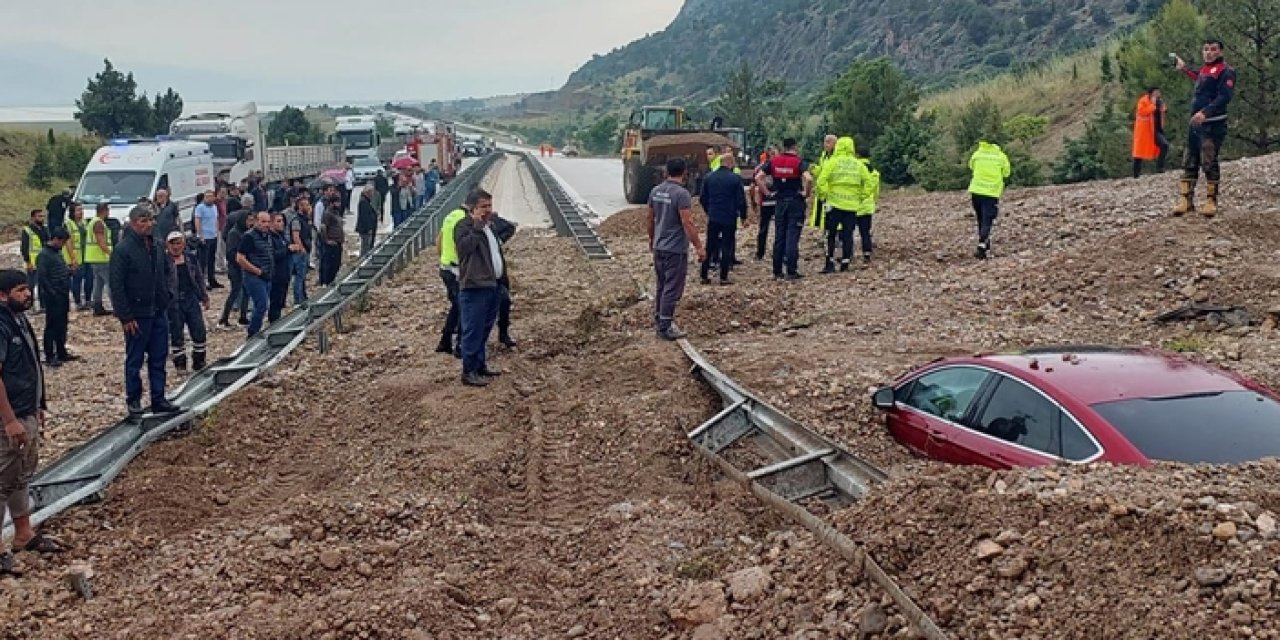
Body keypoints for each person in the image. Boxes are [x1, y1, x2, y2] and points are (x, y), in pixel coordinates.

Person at [0, 269, 63, 577]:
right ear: (2, 295)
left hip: (26, 409)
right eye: (20, 290)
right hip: (8, 416)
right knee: (3, 478)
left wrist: (39, 405)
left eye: (27, 288)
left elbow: (31, 365)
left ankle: (23, 533)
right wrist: (9, 419)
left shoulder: (19, 320)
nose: (27, 294)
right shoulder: (1, 325)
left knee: (22, 474)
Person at [110, 204, 182, 417]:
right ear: (133, 223)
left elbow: (167, 272)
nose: (148, 224)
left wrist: (168, 296)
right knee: (135, 359)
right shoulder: (123, 250)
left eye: (150, 220)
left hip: (158, 311)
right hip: (136, 314)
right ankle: (134, 401)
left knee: (159, 357)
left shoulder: (158, 246)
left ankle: (158, 398)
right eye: (143, 221)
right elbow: (116, 285)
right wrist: (125, 316)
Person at [1173, 39, 1235, 217]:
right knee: (1189, 160)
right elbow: (1197, 76)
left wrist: (1206, 113)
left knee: (1209, 160)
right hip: (1196, 123)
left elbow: (1224, 96)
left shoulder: (1226, 71)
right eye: (1206, 49)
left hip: (1213, 123)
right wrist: (1184, 68)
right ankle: (1186, 200)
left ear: (1220, 51)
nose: (1209, 52)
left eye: (1213, 49)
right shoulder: (1204, 70)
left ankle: (1211, 200)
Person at [646, 158, 706, 340]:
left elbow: (649, 218)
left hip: (659, 246)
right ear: (685, 173)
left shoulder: (655, 191)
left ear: (666, 172)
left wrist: (652, 238)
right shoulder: (682, 194)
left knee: (662, 285)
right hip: (675, 249)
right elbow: (687, 221)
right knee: (672, 287)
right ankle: (664, 327)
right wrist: (699, 247)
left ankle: (660, 318)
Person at [453, 189, 506, 386]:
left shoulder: (489, 226)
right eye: (483, 207)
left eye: (489, 206)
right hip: (474, 287)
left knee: (484, 329)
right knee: (472, 330)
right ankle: (469, 371)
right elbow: (464, 249)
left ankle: (480, 365)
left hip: (492, 285)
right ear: (472, 208)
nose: (488, 210)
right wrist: (476, 226)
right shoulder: (464, 226)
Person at [754, 138, 811, 280]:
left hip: (779, 202)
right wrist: (806, 193)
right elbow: (808, 179)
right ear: (795, 147)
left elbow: (758, 177)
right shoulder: (798, 162)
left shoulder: (774, 162)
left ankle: (777, 270)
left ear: (783, 147)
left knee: (779, 236)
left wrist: (767, 193)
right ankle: (791, 270)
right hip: (795, 202)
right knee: (792, 235)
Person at [816, 137, 872, 273]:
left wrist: (824, 195)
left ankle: (829, 262)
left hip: (833, 204)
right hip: (851, 206)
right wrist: (860, 197)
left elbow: (821, 181)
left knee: (831, 234)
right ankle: (845, 262)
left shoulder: (832, 162)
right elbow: (869, 183)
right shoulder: (858, 165)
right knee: (848, 234)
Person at [699, 152, 748, 285]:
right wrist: (743, 216)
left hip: (714, 216)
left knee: (710, 245)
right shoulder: (735, 179)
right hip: (729, 216)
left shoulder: (709, 177)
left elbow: (702, 198)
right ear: (730, 163)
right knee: (727, 245)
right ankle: (723, 277)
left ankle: (704, 274)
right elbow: (741, 200)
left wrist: (708, 210)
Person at [164, 233, 208, 372]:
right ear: (167, 245)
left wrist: (204, 296)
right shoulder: (163, 261)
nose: (176, 247)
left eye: (178, 243)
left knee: (198, 330)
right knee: (176, 333)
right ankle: (180, 364)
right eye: (173, 243)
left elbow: (199, 277)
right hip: (173, 302)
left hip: (191, 298)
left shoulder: (190, 258)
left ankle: (199, 362)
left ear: (183, 244)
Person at [967, 139, 1012, 260]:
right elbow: (1007, 173)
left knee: (980, 218)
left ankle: (984, 243)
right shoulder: (1001, 157)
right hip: (991, 193)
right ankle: (982, 245)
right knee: (988, 219)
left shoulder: (977, 154)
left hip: (976, 191)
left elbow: (971, 166)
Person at [36, 228, 74, 367]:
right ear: (56, 239)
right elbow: (42, 277)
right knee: (51, 326)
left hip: (62, 293)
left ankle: (61, 351)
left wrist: (69, 272)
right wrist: (52, 293)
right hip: (53, 296)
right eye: (62, 242)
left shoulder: (57, 253)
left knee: (62, 324)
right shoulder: (44, 255)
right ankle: (50, 355)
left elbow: (59, 271)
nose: (63, 245)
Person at [435, 204, 468, 357]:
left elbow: (439, 240)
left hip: (445, 267)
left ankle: (445, 341)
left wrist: (442, 259)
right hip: (456, 270)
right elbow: (460, 245)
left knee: (456, 305)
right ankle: (460, 345)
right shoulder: (464, 220)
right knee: (463, 307)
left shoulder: (451, 215)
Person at [236, 212, 274, 337]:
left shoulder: (267, 235)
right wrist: (257, 271)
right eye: (263, 222)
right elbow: (240, 258)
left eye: (268, 222)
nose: (266, 224)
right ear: (256, 221)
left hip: (267, 275)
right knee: (262, 304)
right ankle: (252, 333)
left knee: (262, 305)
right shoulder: (249, 237)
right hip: (253, 276)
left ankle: (256, 328)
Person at [218, 209, 252, 329]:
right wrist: (240, 261)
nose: (250, 222)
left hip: (244, 267)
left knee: (246, 292)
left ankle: (243, 317)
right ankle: (224, 318)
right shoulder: (234, 233)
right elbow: (230, 253)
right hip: (235, 268)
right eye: (248, 220)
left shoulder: (246, 232)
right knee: (235, 292)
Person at [489, 213, 519, 348]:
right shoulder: (468, 226)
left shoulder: (491, 222)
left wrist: (500, 240)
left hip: (499, 275)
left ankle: (503, 334)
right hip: (479, 276)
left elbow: (509, 227)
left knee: (505, 302)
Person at [85, 202, 113, 316]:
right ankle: (117, 307)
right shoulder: (99, 223)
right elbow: (101, 242)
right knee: (110, 283)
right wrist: (112, 253)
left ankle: (97, 306)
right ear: (105, 210)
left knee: (98, 283)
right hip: (101, 258)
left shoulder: (93, 222)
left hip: (94, 257)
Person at [63, 202, 91, 310]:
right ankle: (78, 301)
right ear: (72, 212)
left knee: (89, 279)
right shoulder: (68, 224)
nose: (81, 212)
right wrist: (73, 258)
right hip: (76, 257)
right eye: (78, 210)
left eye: (82, 210)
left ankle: (88, 300)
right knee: (77, 280)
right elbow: (68, 242)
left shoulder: (84, 223)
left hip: (87, 255)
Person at [807, 135, 838, 228]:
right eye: (825, 142)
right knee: (825, 213)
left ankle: (835, 236)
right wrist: (814, 169)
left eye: (828, 142)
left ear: (835, 144)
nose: (825, 144)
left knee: (833, 214)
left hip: (834, 190)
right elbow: (822, 171)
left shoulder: (837, 156)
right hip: (824, 190)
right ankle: (827, 234)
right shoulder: (824, 155)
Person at [193, 190, 222, 288]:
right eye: (207, 196)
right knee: (203, 261)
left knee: (211, 259)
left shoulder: (214, 207)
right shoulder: (200, 208)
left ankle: (212, 279)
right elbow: (198, 221)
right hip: (204, 237)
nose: (209, 198)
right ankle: (202, 282)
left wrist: (217, 231)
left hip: (213, 236)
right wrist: (200, 235)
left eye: (211, 196)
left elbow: (216, 219)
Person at [287, 196, 313, 305]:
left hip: (305, 250)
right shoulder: (297, 220)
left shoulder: (305, 219)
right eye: (306, 205)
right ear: (300, 206)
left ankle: (303, 297)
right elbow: (296, 236)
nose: (308, 207)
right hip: (300, 252)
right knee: (299, 277)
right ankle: (298, 300)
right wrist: (302, 249)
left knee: (302, 276)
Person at [20, 210, 49, 308]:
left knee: (43, 284)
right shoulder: (27, 230)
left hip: (44, 262)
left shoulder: (45, 229)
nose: (42, 218)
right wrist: (28, 262)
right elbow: (24, 248)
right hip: (33, 262)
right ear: (33, 218)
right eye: (39, 216)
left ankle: (43, 305)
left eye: (43, 216)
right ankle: (30, 305)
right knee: (31, 285)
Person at [753, 146, 778, 261]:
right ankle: (770, 252)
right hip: (771, 200)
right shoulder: (768, 168)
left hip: (768, 201)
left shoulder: (760, 168)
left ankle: (761, 252)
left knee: (764, 228)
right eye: (775, 154)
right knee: (774, 228)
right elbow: (756, 186)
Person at [1132, 88, 1163, 178]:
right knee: (1138, 153)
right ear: (1150, 94)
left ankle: (1160, 168)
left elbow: (1162, 111)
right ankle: (1136, 174)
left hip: (1155, 129)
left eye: (1159, 92)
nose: (1158, 94)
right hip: (1144, 131)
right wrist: (1152, 105)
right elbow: (1143, 112)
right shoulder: (1143, 101)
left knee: (1164, 145)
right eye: (1156, 92)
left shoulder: (1159, 101)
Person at [267, 212, 291, 323]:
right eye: (278, 221)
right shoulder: (270, 238)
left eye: (282, 221)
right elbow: (273, 255)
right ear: (271, 223)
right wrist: (288, 249)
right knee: (275, 303)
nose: (282, 224)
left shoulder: (281, 236)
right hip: (276, 275)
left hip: (284, 274)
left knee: (281, 302)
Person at [318, 202, 345, 286]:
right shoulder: (327, 214)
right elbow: (323, 227)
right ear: (331, 203)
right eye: (337, 202)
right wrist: (326, 240)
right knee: (329, 263)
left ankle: (332, 280)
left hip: (338, 242)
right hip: (331, 243)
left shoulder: (336, 213)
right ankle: (326, 281)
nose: (339, 204)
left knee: (337, 263)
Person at [356, 185, 379, 256]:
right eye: (371, 192)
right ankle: (363, 260)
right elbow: (365, 217)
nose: (372, 194)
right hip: (365, 229)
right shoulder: (363, 202)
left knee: (368, 245)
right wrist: (369, 228)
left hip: (368, 228)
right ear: (367, 192)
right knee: (365, 246)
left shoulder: (366, 201)